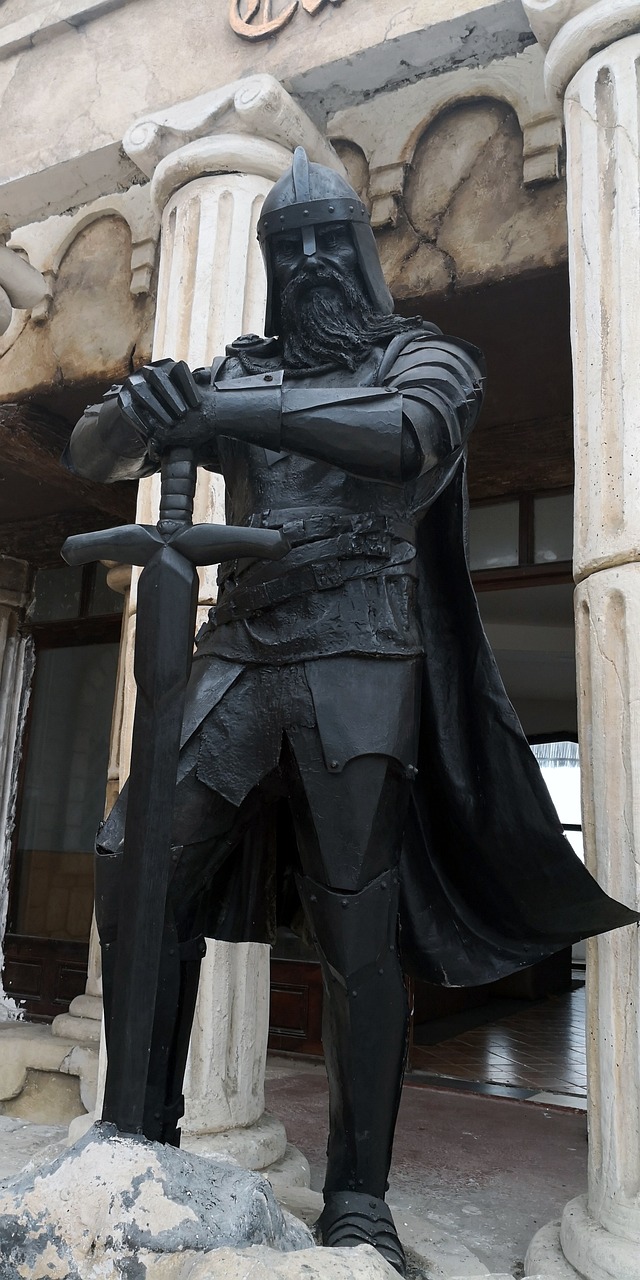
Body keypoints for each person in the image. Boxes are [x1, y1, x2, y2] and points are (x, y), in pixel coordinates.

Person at [64, 148, 637, 1275]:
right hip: (241, 642)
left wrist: (229, 406)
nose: (315, 261)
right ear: (274, 268)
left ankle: (359, 1201)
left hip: (363, 645)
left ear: (365, 254)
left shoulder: (424, 357)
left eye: (333, 240)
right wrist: (140, 405)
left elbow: (406, 434)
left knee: (355, 918)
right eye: (293, 249)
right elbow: (95, 451)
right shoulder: (242, 365)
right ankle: (138, 1143)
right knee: (135, 859)